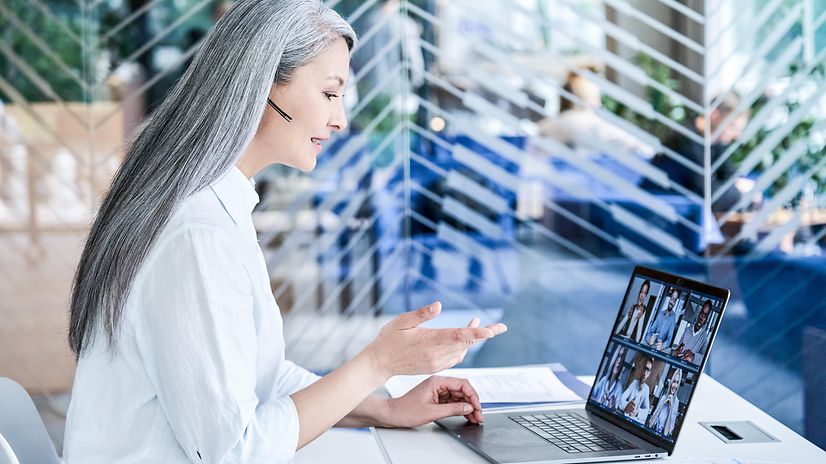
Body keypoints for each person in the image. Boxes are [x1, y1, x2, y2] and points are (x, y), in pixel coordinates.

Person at [63, 2, 507, 462]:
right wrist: (380, 362)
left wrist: (386, 408)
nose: (341, 120)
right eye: (330, 94)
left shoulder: (214, 206)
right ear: (262, 87)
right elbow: (236, 451)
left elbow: (262, 376)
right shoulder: (197, 235)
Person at [674, 300, 713, 364]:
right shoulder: (687, 329)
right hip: (677, 364)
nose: (702, 317)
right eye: (702, 313)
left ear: (707, 319)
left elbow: (704, 358)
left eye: (705, 315)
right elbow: (679, 346)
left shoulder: (705, 337)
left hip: (686, 371)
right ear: (699, 313)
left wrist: (693, 356)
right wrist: (677, 351)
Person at [647, 368, 683, 437]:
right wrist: (662, 404)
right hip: (652, 434)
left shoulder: (676, 402)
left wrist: (671, 408)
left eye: (677, 382)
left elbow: (666, 433)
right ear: (671, 382)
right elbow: (651, 424)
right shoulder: (664, 397)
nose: (674, 385)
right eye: (674, 381)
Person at [618, 357, 653, 424]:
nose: (645, 373)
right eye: (644, 369)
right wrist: (627, 406)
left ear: (649, 374)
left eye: (648, 370)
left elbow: (646, 411)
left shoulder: (646, 389)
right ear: (641, 369)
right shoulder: (634, 383)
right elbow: (621, 398)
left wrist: (638, 412)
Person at [592, 345, 628, 409]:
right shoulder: (604, 380)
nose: (619, 361)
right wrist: (599, 401)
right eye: (618, 356)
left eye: (622, 357)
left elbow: (616, 409)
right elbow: (592, 396)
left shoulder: (619, 387)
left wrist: (612, 408)